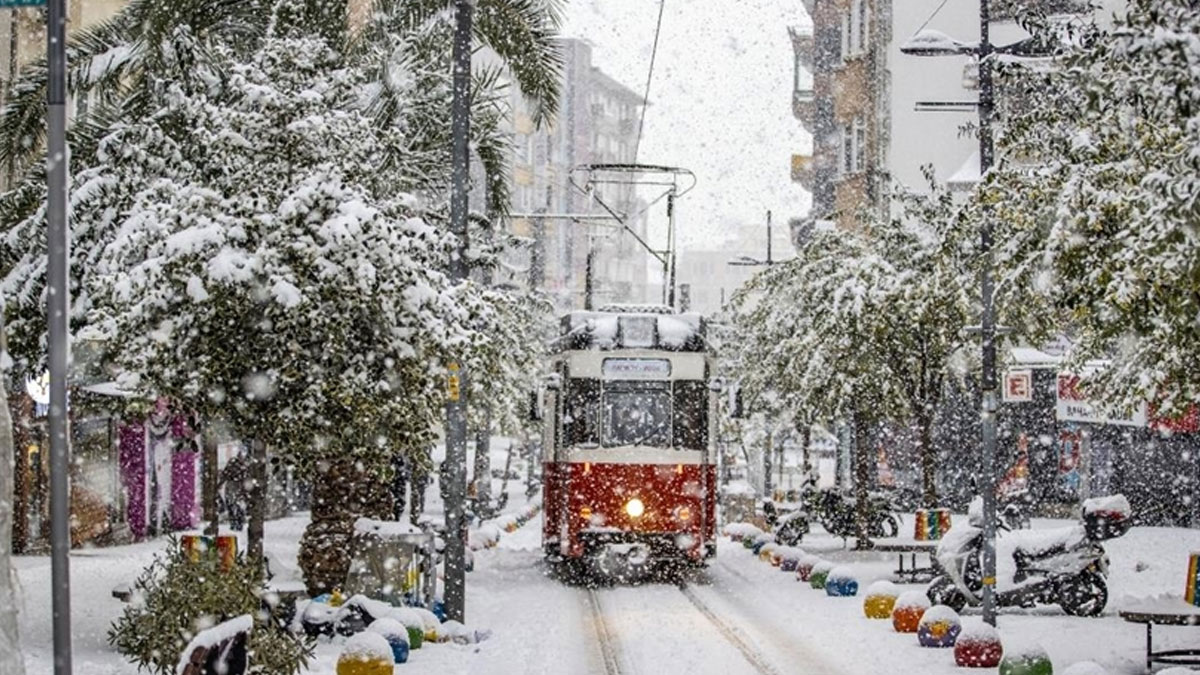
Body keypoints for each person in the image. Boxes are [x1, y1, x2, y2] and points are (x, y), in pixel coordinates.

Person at [220, 449, 249, 531]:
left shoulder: (234, 463)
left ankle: (236, 523)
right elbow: (225, 474)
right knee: (233, 504)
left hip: (236, 485)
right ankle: (236, 523)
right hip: (235, 485)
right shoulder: (238, 464)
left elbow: (224, 474)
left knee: (234, 505)